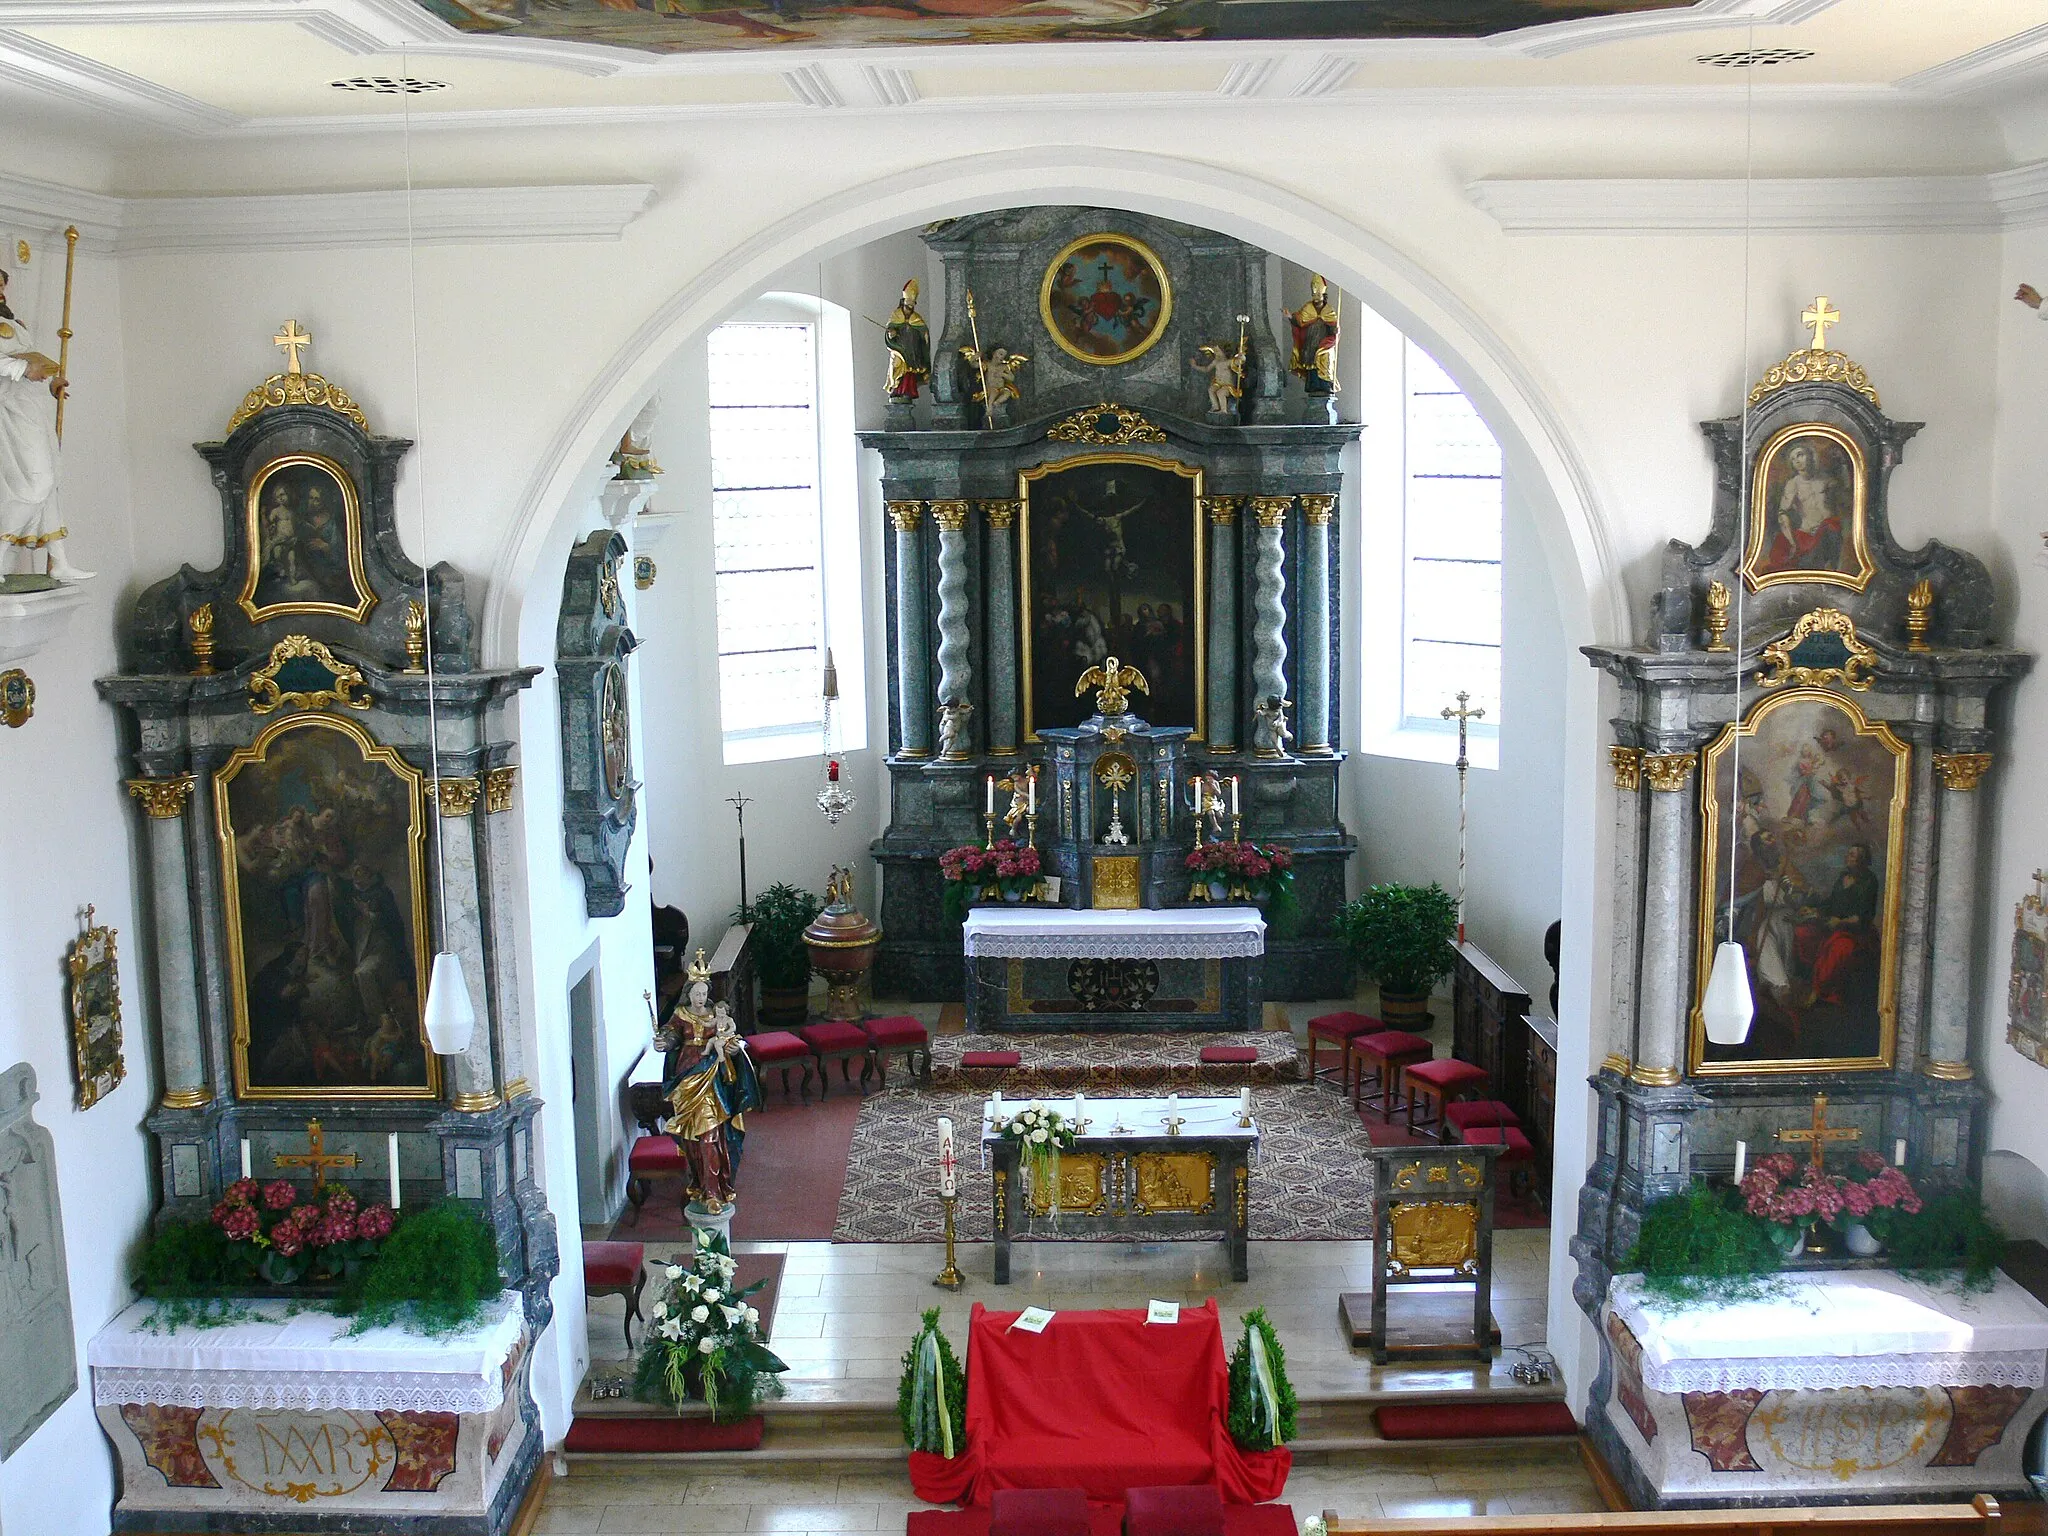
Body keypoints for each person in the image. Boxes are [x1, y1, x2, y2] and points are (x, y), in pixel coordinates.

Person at [0, 267, 89, 583]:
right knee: (38, 483)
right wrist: (24, 368)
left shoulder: (14, 324)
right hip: (9, 411)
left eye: (2, 284)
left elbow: (28, 367)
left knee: (50, 483)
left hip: (31, 407)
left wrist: (49, 382)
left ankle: (59, 559)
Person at [664, 1001, 763, 1214]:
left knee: (711, 1137)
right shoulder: (681, 1014)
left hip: (712, 1080)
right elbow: (671, 1036)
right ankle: (700, 1184)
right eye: (696, 992)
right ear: (688, 993)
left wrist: (735, 1048)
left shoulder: (716, 1016)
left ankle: (714, 1192)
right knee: (691, 1140)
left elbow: (732, 1039)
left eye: (704, 992)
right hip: (687, 1075)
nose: (701, 996)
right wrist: (664, 1043)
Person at [884, 278, 931, 403]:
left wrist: (924, 337)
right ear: (903, 302)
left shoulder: (916, 318)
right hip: (899, 349)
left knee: (910, 372)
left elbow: (923, 332)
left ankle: (907, 392)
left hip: (912, 350)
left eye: (912, 304)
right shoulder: (896, 315)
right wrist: (892, 334)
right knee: (896, 367)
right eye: (908, 303)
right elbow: (890, 330)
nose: (910, 306)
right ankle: (895, 390)